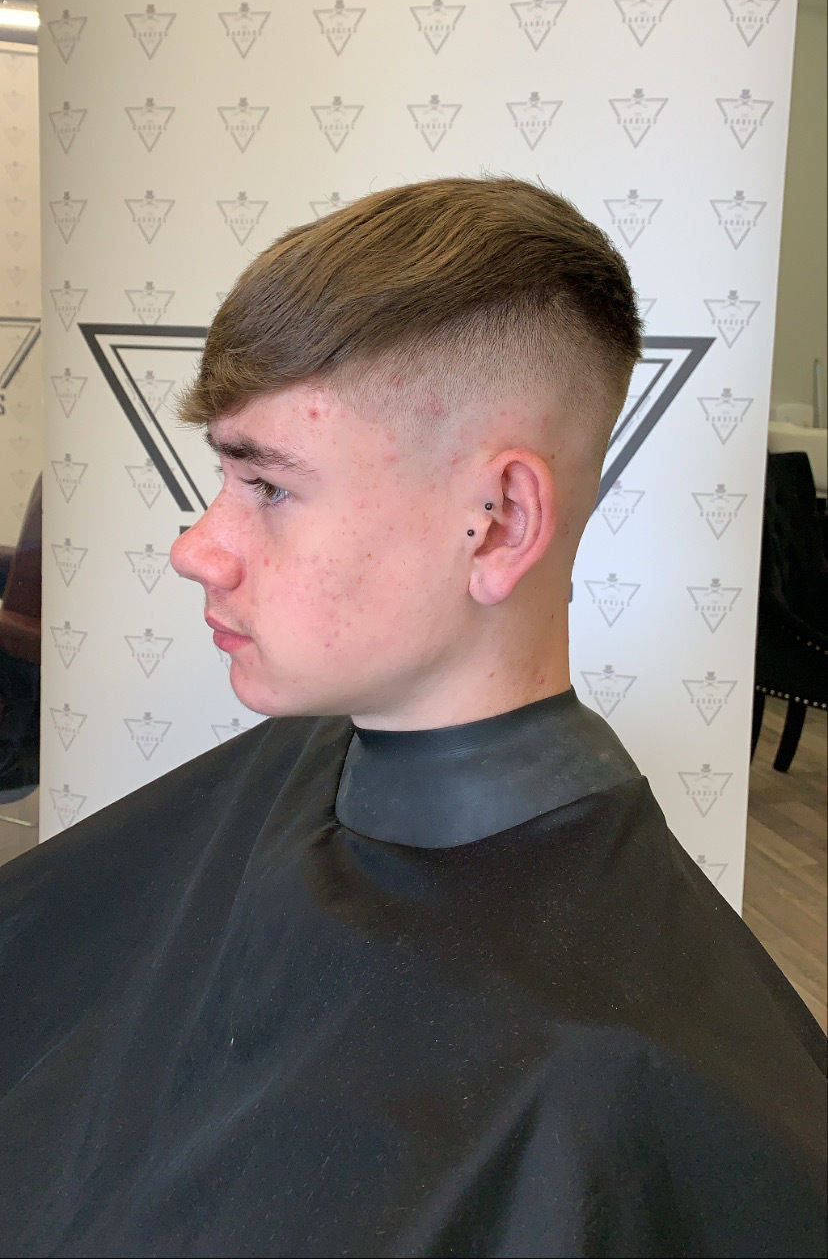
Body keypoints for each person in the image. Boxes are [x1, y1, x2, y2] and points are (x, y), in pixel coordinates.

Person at [0, 176, 824, 1258]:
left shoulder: (616, 1079)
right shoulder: (297, 767)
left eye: (269, 486)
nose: (196, 547)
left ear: (500, 522)